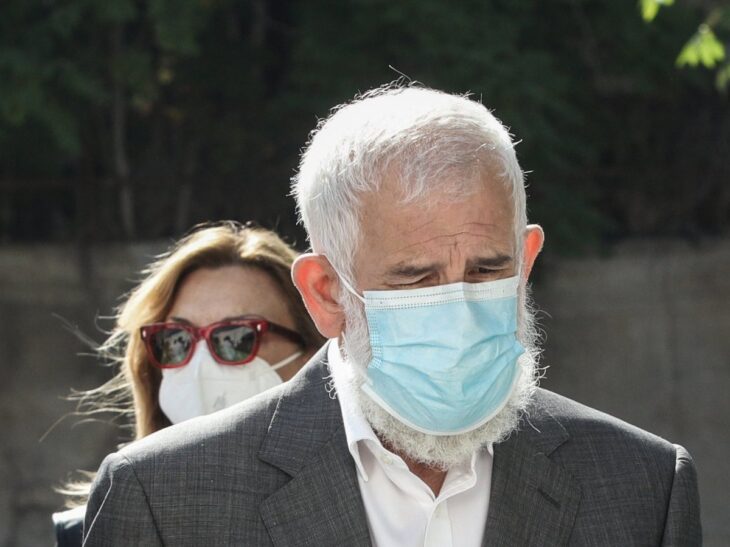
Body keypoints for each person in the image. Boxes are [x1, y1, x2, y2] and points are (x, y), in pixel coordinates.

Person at [82, 85, 701, 546]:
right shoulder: (167, 498)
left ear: (527, 259)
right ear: (327, 292)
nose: (459, 308)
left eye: (487, 270)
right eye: (416, 279)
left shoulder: (642, 486)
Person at [52, 221, 324, 546]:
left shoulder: (358, 503)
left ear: (313, 353)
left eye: (236, 337)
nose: (200, 364)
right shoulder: (91, 530)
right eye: (176, 340)